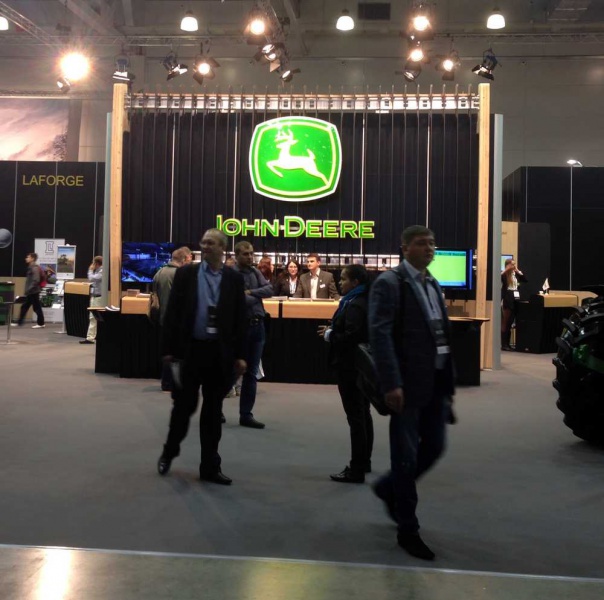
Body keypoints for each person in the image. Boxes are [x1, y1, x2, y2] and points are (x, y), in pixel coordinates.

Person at [369, 225, 455, 561]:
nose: (429, 248)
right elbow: (380, 335)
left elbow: (440, 335)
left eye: (432, 243)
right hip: (406, 385)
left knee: (434, 447)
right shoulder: (390, 283)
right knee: (405, 458)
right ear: (404, 248)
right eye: (422, 244)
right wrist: (391, 382)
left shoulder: (432, 283)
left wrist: (448, 384)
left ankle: (386, 487)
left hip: (435, 383)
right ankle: (408, 529)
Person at [157, 229, 247, 485]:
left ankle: (210, 466)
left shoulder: (233, 279)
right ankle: (170, 450)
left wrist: (240, 355)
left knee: (213, 411)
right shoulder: (186, 274)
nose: (205, 246)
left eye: (211, 243)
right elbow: (172, 313)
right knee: (183, 408)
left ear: (222, 248)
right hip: (190, 351)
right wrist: (168, 350)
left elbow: (239, 318)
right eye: (203, 242)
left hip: (218, 353)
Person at [319, 264, 373, 484]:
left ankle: (356, 468)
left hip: (350, 367)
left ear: (355, 282)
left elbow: (351, 337)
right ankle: (364, 462)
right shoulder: (361, 300)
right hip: (360, 367)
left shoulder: (355, 304)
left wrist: (330, 335)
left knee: (356, 417)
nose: (340, 282)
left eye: (343, 279)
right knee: (363, 414)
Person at [232, 241, 274, 429]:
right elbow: (238, 300)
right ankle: (216, 408)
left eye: (251, 253)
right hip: (240, 328)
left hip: (258, 327)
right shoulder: (231, 274)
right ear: (237, 256)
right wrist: (256, 296)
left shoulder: (256, 272)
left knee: (251, 373)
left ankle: (246, 414)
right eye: (246, 254)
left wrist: (250, 292)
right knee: (233, 370)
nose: (250, 257)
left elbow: (269, 290)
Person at [151, 247, 192, 389]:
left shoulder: (159, 272)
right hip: (178, 320)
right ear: (184, 259)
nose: (190, 262)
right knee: (179, 353)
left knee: (168, 351)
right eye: (190, 258)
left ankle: (167, 382)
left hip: (163, 319)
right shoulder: (181, 275)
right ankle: (175, 383)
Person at [14, 252, 45, 329]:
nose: (26, 258)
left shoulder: (34, 268)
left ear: (32, 258)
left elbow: (36, 280)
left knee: (36, 308)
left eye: (28, 257)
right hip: (31, 291)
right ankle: (19, 322)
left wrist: (29, 289)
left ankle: (41, 323)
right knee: (24, 307)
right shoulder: (31, 267)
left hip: (33, 291)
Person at [501, 258, 527, 351]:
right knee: (506, 322)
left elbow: (525, 280)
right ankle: (504, 344)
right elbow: (498, 277)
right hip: (508, 299)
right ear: (508, 265)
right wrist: (506, 270)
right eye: (512, 264)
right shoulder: (505, 275)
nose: (513, 266)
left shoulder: (515, 274)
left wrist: (518, 271)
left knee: (511, 321)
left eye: (514, 264)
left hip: (515, 298)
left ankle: (508, 344)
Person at [80, 256, 104, 345]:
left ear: (96, 263)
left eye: (93, 263)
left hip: (98, 297)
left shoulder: (102, 270)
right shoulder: (98, 270)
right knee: (93, 317)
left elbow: (92, 278)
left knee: (93, 317)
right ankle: (92, 336)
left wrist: (90, 270)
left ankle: (90, 338)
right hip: (95, 296)